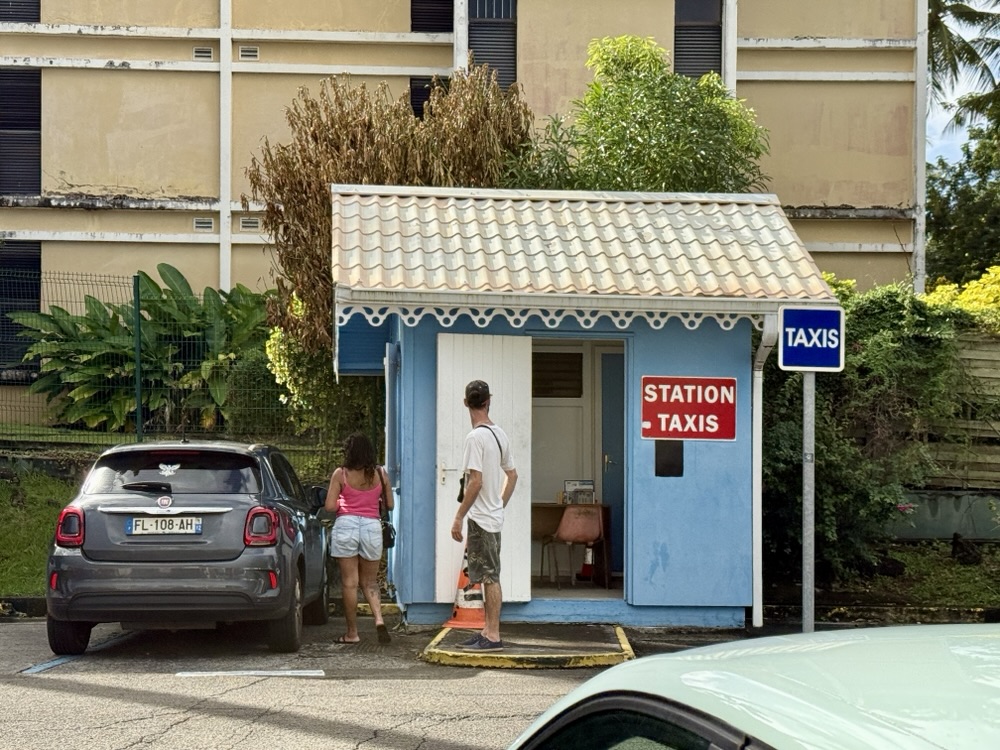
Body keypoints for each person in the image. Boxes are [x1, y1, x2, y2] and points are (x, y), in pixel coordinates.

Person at [451, 379, 518, 652]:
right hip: (492, 517)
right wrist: (499, 505)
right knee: (489, 573)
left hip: (480, 519)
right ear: (489, 400)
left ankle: (492, 636)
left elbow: (475, 482)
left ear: (466, 403)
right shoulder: (499, 434)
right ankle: (487, 630)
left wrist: (458, 516)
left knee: (489, 576)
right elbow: (512, 475)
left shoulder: (474, 438)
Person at [325, 432, 393, 644]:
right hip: (372, 527)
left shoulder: (341, 474)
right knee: (370, 582)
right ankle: (379, 620)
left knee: (350, 583)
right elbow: (390, 504)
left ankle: (352, 633)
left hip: (346, 526)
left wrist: (343, 504)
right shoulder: (380, 473)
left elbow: (329, 506)